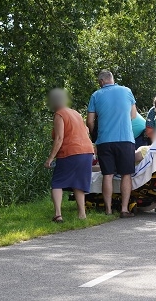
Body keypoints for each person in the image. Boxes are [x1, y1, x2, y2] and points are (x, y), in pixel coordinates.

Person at [87, 70, 137, 218]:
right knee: (126, 174)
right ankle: (124, 209)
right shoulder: (127, 91)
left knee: (107, 175)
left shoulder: (96, 95)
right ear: (112, 79)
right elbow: (133, 115)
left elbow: (90, 121)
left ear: (101, 81)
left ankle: (108, 210)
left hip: (104, 141)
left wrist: (94, 135)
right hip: (125, 139)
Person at [44, 88, 94, 222]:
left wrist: (50, 158)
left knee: (57, 182)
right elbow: (87, 131)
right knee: (78, 183)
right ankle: (82, 214)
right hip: (87, 151)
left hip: (70, 152)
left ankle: (58, 214)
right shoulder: (76, 113)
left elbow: (59, 138)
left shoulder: (59, 114)